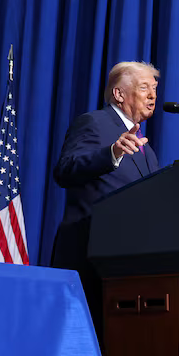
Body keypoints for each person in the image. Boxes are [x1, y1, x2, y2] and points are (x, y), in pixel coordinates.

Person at [52, 61, 162, 337]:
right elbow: (65, 170)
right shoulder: (94, 123)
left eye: (154, 88)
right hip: (89, 256)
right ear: (119, 94)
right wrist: (111, 153)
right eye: (144, 88)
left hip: (129, 266)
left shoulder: (147, 152)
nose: (152, 95)